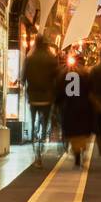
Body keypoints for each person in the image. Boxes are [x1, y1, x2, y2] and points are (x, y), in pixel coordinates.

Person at [21, 35, 59, 167]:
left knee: (33, 121)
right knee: (45, 123)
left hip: (33, 97)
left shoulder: (30, 59)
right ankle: (41, 147)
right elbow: (57, 78)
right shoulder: (51, 59)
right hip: (47, 98)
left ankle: (35, 148)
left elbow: (23, 78)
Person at [58, 53, 95, 167]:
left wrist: (58, 104)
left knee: (73, 132)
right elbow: (91, 92)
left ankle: (77, 154)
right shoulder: (86, 76)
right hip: (84, 108)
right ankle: (82, 151)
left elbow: (60, 92)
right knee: (83, 132)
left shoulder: (65, 75)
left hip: (69, 108)